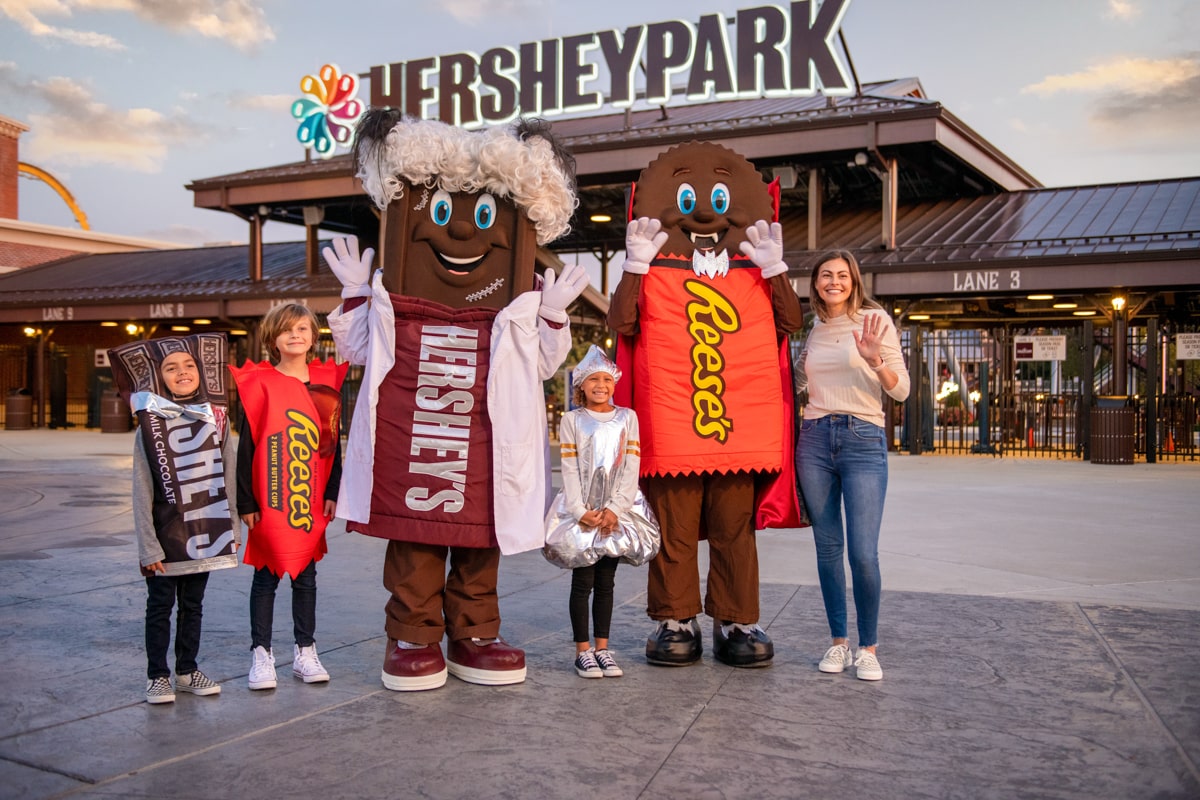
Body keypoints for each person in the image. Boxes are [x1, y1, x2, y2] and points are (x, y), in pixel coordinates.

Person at [324, 112, 585, 691]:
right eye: (442, 211)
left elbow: (544, 362)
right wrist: (352, 296)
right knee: (415, 540)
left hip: (483, 448)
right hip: (415, 441)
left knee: (476, 545)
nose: (464, 231)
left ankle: (475, 634)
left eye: (485, 214)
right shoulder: (396, 296)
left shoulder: (515, 304)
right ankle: (413, 635)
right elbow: (360, 350)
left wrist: (552, 313)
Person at [607, 141, 805, 669]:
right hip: (673, 425)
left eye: (719, 196)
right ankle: (676, 619)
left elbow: (790, 323)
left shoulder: (753, 271)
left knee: (733, 529)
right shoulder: (653, 269)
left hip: (740, 427)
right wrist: (635, 265)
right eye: (691, 197)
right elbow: (622, 324)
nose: (703, 212)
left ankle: (736, 617)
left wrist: (774, 268)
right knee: (673, 528)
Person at [794, 250, 910, 681]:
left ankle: (869, 647)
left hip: (863, 438)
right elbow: (799, 382)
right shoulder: (814, 329)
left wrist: (875, 359)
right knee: (828, 550)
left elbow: (902, 392)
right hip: (815, 440)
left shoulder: (875, 322)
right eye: (826, 275)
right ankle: (839, 642)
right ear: (817, 283)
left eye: (842, 275)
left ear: (854, 280)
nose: (834, 281)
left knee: (863, 554)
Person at [114, 336, 241, 705]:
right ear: (159, 378)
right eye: (171, 368)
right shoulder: (150, 426)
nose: (182, 372)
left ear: (201, 373)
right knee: (160, 606)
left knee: (194, 605)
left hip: (205, 530)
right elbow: (141, 490)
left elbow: (227, 477)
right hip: (166, 535)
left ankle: (187, 670)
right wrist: (148, 544)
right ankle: (158, 675)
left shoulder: (216, 418)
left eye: (189, 366)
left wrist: (230, 529)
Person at [230, 303, 347, 691]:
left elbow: (334, 444)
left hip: (309, 495)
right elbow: (246, 446)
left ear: (314, 337)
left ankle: (305, 650)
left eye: (302, 328)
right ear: (272, 338)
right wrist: (246, 501)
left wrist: (333, 490)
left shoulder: (326, 383)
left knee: (306, 576)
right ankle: (261, 654)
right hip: (270, 496)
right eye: (286, 329)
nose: (295, 335)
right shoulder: (259, 382)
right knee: (265, 576)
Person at [543, 345, 658, 679]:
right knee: (583, 582)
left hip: (615, 514)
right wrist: (580, 510)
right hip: (584, 513)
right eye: (593, 379)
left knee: (606, 582)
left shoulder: (627, 418)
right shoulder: (572, 420)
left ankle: (603, 648)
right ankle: (583, 651)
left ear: (614, 384)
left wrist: (615, 510)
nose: (601, 386)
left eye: (606, 379)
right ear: (581, 385)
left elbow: (631, 464)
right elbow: (568, 466)